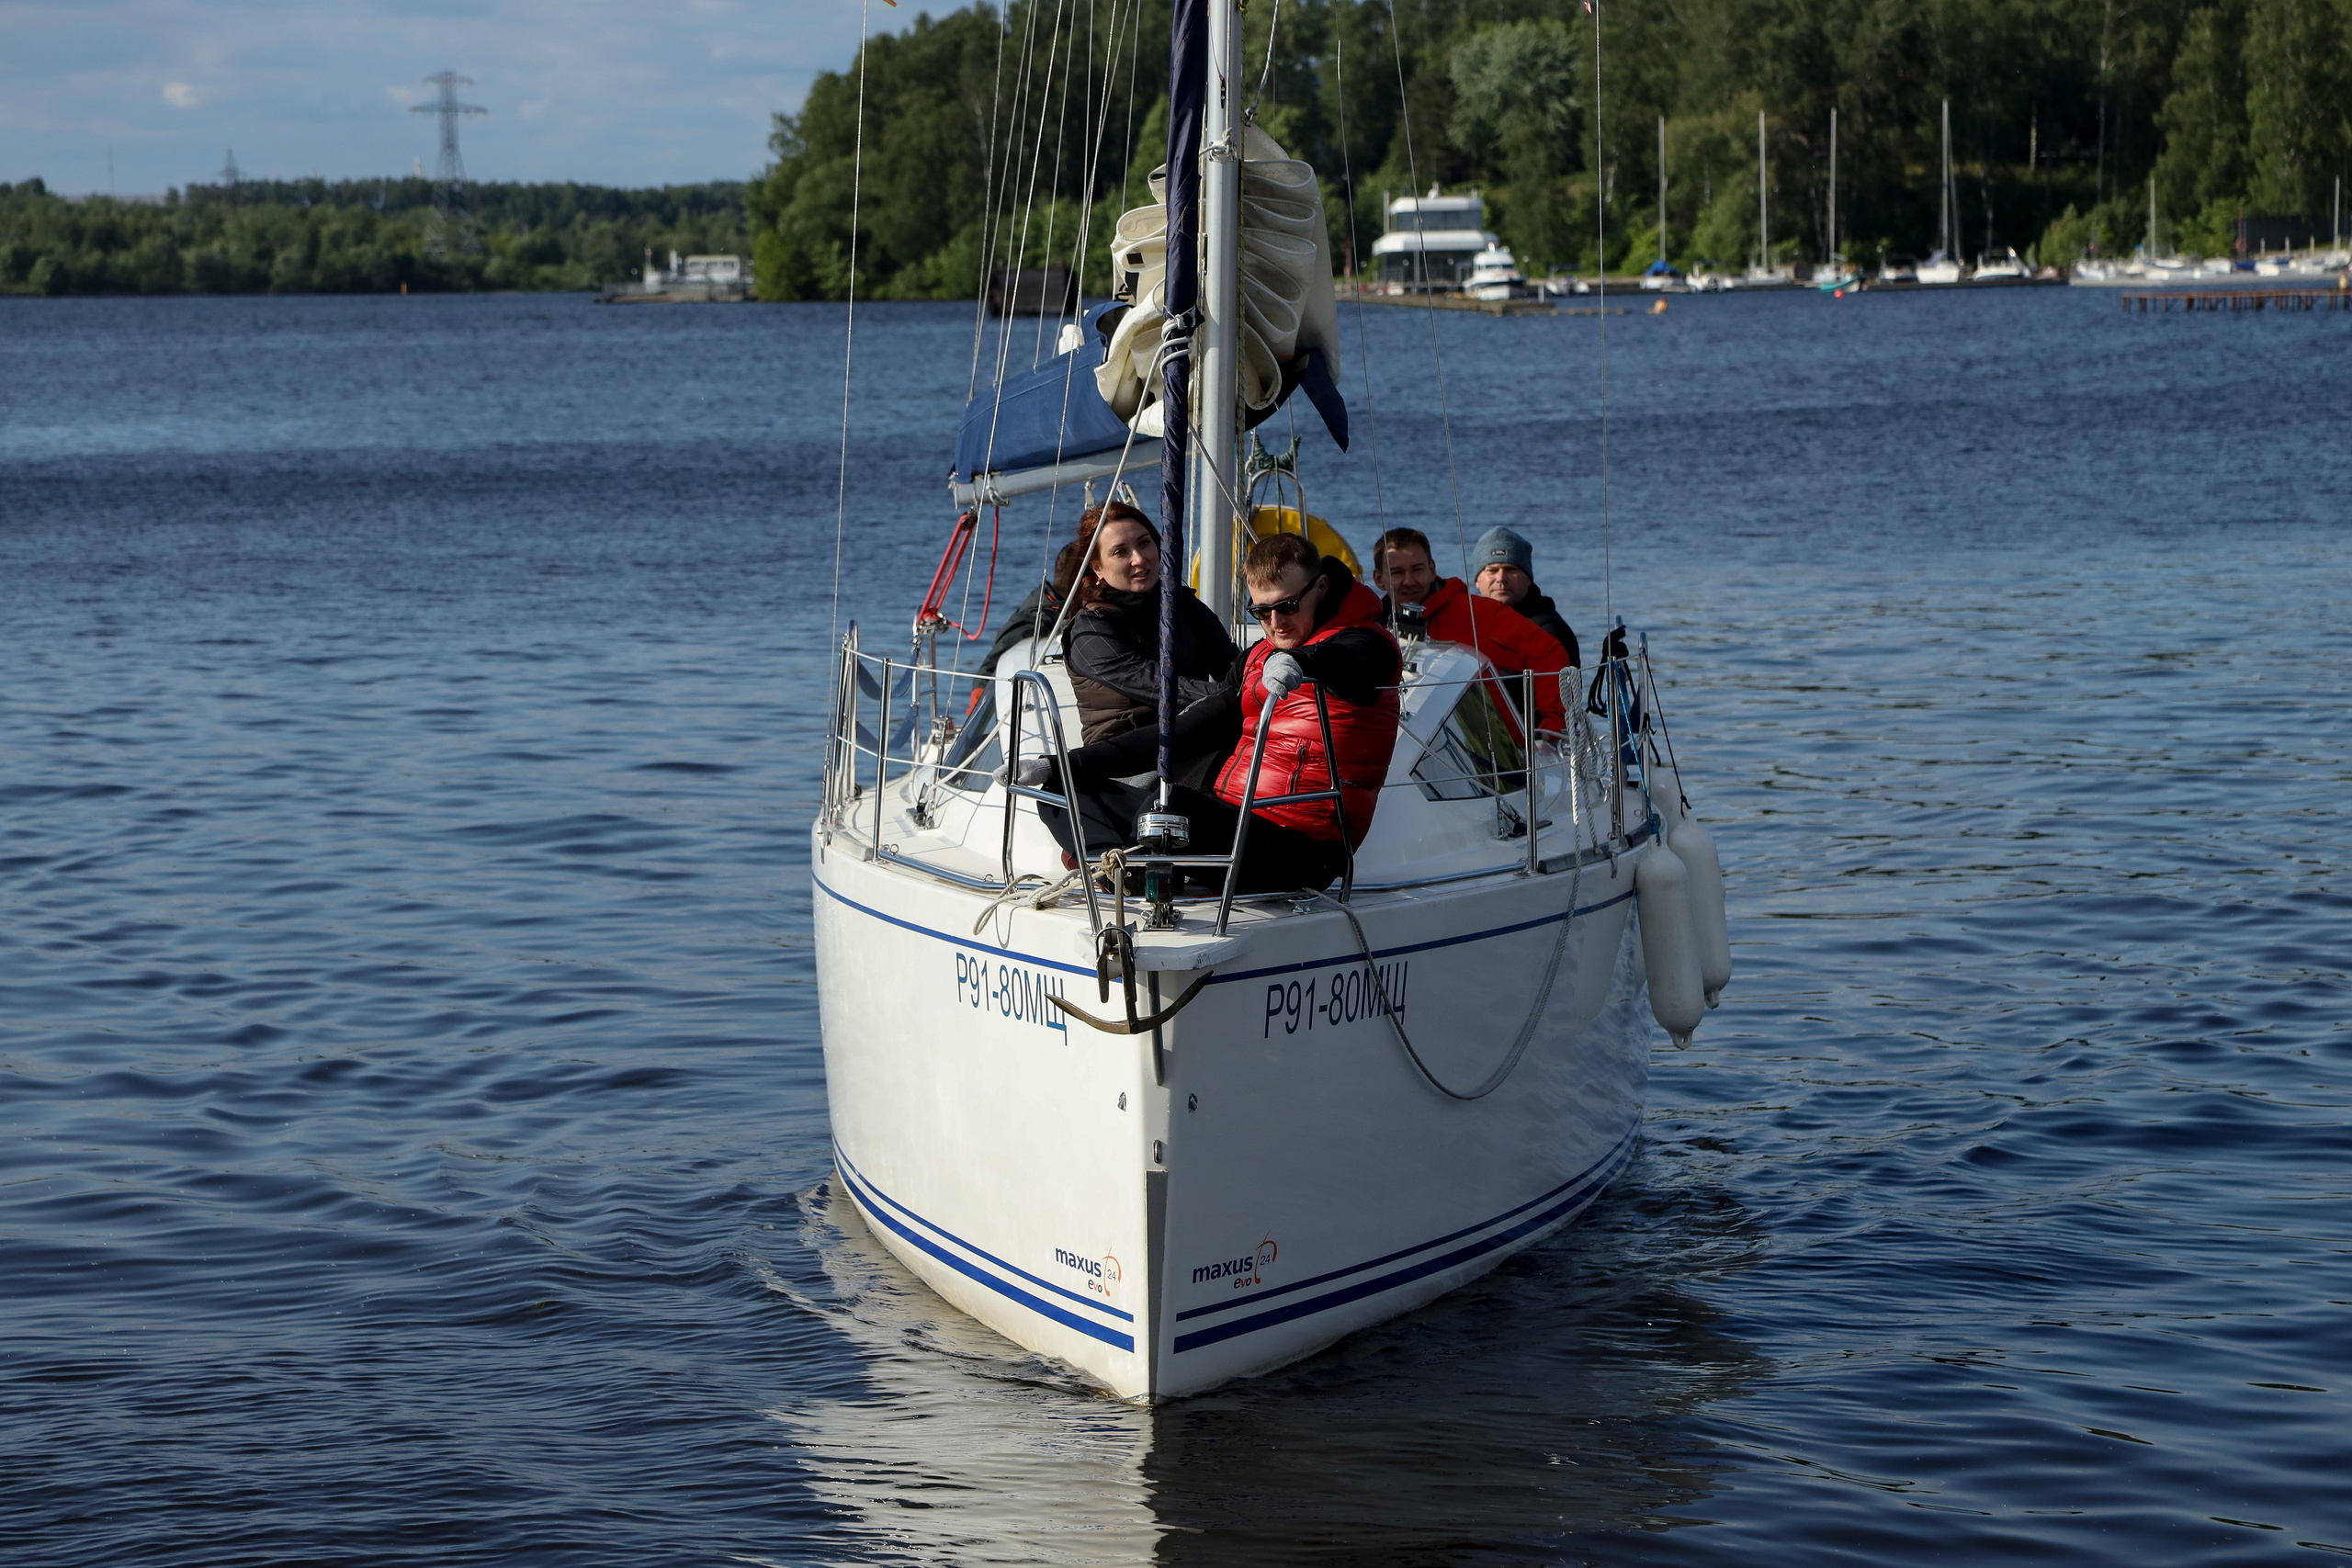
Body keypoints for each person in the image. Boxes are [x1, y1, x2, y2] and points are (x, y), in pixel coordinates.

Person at [1024, 535, 1401, 895]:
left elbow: (1353, 660)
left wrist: (1299, 661)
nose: (1276, 622)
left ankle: (1140, 863)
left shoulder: (1370, 643)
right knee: (1064, 789)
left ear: (1320, 588)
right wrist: (1062, 763)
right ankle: (1120, 872)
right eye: (1261, 612)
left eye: (1287, 606)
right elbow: (1181, 733)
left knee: (1169, 808)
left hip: (1304, 847)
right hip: (1233, 823)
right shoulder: (1258, 658)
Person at [1370, 525, 1569, 732]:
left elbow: (1548, 653)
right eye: (1397, 573)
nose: (1409, 581)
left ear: (1432, 570)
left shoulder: (1476, 613)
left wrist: (1554, 725)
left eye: (1417, 569)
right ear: (1379, 579)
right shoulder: (1371, 631)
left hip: (1489, 754)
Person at [1468, 525, 1578, 667]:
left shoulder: (1549, 631)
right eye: (1492, 570)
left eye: (1510, 569)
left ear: (1529, 578)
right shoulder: (1471, 624)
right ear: (1477, 581)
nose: (1501, 578)